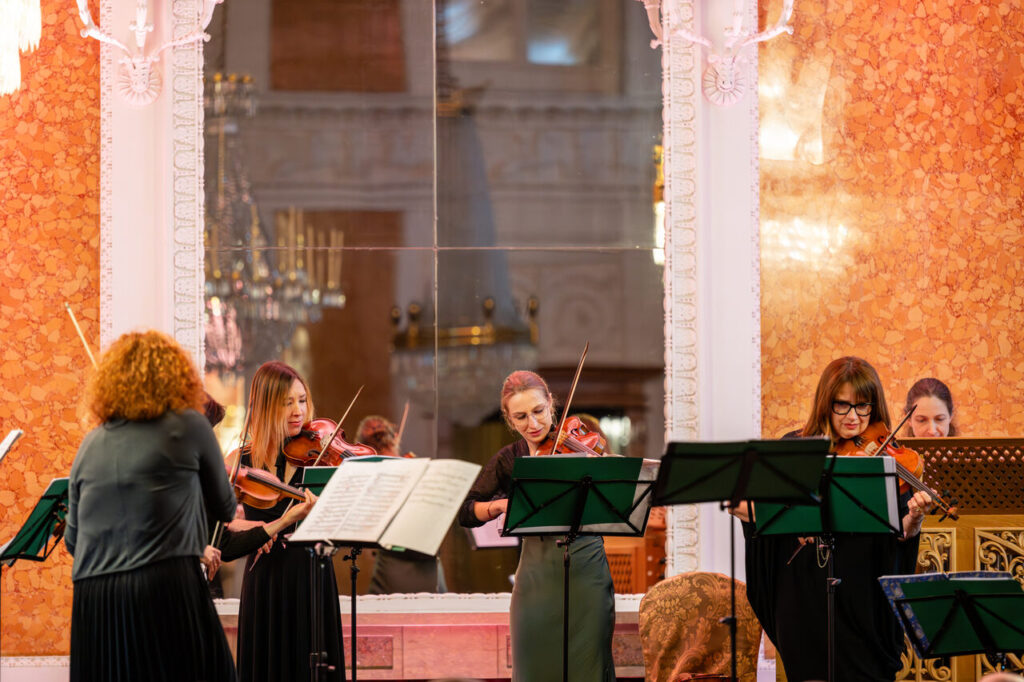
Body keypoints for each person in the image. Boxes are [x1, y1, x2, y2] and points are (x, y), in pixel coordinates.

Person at [730, 356, 933, 682]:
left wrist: (913, 521)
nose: (854, 417)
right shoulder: (795, 448)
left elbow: (900, 538)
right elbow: (769, 525)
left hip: (863, 602)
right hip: (805, 597)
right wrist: (753, 515)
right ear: (826, 403)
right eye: (842, 406)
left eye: (863, 407)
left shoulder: (889, 457)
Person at [66, 330, 238, 682]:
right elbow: (225, 508)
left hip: (94, 600)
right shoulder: (190, 424)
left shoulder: (91, 442)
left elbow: (73, 542)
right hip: (163, 584)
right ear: (177, 378)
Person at [458, 370, 616, 682]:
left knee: (589, 670)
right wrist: (501, 505)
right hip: (535, 579)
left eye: (538, 411)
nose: (533, 424)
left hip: (586, 571)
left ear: (551, 405)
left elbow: (612, 498)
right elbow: (466, 511)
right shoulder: (509, 459)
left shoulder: (578, 445)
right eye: (521, 417)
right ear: (508, 419)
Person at [235, 360, 344, 682]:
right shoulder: (242, 462)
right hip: (267, 580)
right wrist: (253, 528)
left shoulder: (322, 457)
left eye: (302, 400)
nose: (298, 411)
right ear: (267, 406)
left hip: (313, 577)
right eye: (287, 403)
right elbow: (217, 528)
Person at [355, 414, 447, 594]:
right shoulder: (413, 466)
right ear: (395, 437)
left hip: (401, 562)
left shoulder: (373, 473)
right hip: (416, 560)